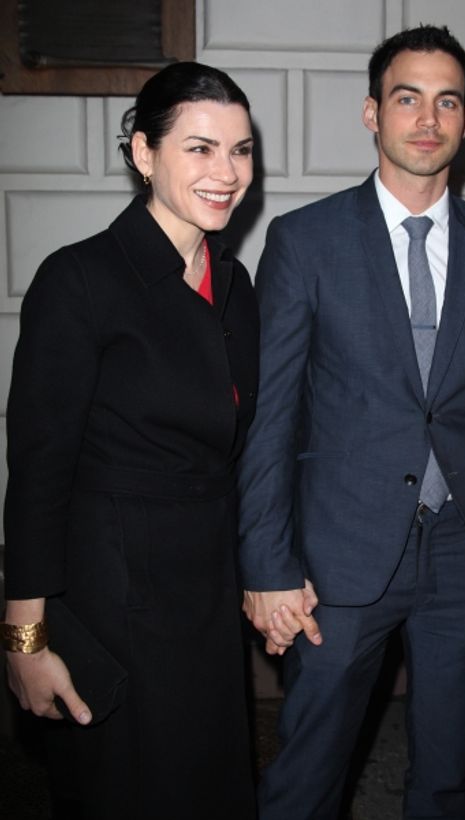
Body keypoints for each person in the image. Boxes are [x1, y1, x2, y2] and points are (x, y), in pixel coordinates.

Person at [238, 24, 465, 820]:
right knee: (309, 771)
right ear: (372, 113)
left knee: (449, 776)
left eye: (448, 101)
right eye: (407, 98)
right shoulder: (304, 242)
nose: (427, 119)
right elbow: (272, 413)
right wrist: (267, 562)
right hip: (337, 556)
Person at [1, 62, 259, 820]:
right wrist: (25, 641)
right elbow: (39, 471)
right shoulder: (78, 279)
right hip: (115, 604)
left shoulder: (236, 286)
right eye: (201, 148)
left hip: (205, 600)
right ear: (144, 153)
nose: (227, 172)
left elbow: (240, 449)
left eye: (241, 150)